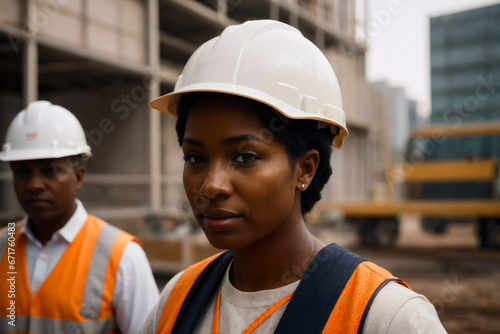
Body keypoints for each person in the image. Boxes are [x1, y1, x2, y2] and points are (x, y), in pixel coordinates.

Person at [141, 20, 446, 333]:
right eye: (195, 158)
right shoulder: (177, 301)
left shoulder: (386, 316)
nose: (211, 185)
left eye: (245, 157)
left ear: (305, 169)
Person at [0, 101, 159, 333]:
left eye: (50, 170)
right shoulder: (3, 246)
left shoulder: (121, 256)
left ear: (79, 177)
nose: (34, 185)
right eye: (22, 172)